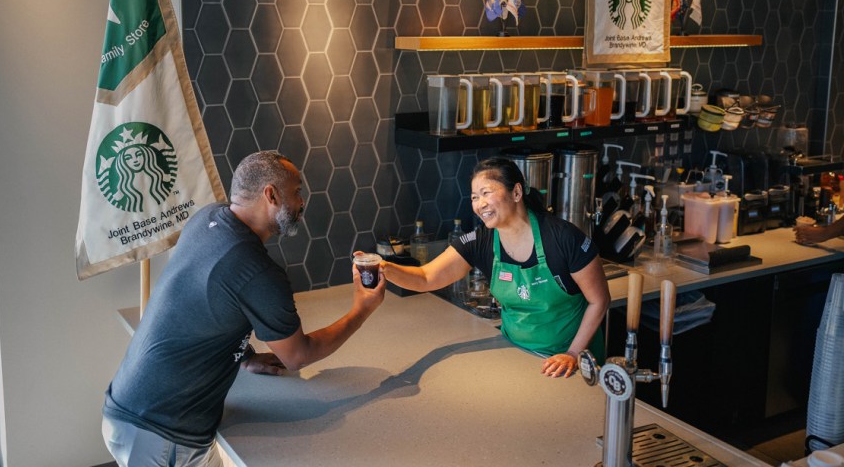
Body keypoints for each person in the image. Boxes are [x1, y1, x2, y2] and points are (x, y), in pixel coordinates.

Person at [102, 150, 386, 467]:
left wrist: (245, 356)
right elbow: (297, 356)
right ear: (271, 195)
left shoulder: (206, 218)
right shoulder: (257, 271)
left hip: (126, 409)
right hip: (163, 434)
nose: (302, 202)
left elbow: (203, 302)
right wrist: (362, 309)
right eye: (297, 192)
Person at [381, 156, 610, 378]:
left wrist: (572, 353)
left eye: (486, 193)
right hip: (517, 357)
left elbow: (599, 300)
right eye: (473, 197)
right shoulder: (481, 241)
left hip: (570, 367)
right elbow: (425, 278)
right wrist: (382, 268)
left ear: (517, 192)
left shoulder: (562, 237)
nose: (479, 204)